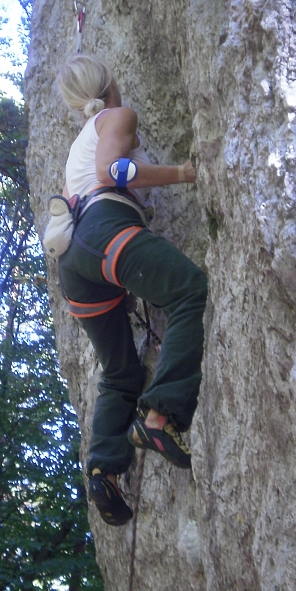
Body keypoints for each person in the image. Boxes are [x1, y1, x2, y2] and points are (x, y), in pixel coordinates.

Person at [55, 53, 208, 526]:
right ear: (111, 85)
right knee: (187, 289)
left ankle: (104, 467)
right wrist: (183, 174)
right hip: (104, 228)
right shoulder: (116, 117)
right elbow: (111, 175)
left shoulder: (78, 143)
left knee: (120, 371)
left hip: (74, 261)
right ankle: (161, 417)